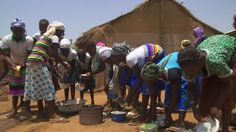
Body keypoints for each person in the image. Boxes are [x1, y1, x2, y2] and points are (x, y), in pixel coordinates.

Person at [177, 35, 236, 132]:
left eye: (192, 71)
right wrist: (194, 108)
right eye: (187, 72)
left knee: (227, 102)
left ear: (200, 62)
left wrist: (217, 105)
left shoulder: (215, 62)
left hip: (232, 53)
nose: (190, 74)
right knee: (205, 98)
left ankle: (225, 128)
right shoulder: (187, 67)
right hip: (212, 49)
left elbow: (228, 84)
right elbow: (190, 88)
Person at [110, 43, 165, 122]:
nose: (113, 59)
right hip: (150, 52)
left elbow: (140, 80)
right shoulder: (124, 60)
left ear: (119, 56)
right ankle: (146, 114)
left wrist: (130, 95)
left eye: (114, 57)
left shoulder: (130, 59)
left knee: (149, 85)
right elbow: (130, 74)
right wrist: (124, 85)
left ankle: (151, 115)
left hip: (156, 53)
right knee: (146, 86)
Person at [24, 21, 69, 118]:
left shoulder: (43, 37)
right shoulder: (55, 37)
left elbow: (48, 54)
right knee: (49, 88)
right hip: (38, 62)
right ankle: (52, 115)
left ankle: (41, 112)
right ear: (58, 31)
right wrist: (63, 64)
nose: (63, 35)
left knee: (38, 87)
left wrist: (54, 61)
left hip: (30, 62)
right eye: (62, 32)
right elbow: (56, 55)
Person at [1, 18, 34, 118]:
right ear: (12, 30)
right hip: (14, 64)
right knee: (15, 87)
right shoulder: (6, 39)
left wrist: (24, 62)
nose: (18, 32)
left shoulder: (29, 40)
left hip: (26, 65)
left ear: (23, 31)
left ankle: (26, 108)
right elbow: (6, 55)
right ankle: (14, 109)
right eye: (15, 30)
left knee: (26, 87)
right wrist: (11, 65)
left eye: (20, 30)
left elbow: (29, 54)